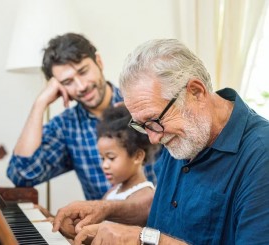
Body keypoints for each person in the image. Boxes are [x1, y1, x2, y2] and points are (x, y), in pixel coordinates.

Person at [52, 39, 269, 245]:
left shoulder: (261, 155)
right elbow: (166, 212)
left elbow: (150, 236)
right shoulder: (183, 134)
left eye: (153, 120)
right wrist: (106, 211)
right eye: (142, 125)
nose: (153, 138)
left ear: (196, 92)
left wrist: (143, 239)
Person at [7, 33, 156, 200]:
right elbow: (21, 175)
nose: (81, 86)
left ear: (98, 62)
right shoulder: (66, 126)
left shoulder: (139, 103)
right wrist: (39, 104)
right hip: (101, 225)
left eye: (83, 71)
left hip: (158, 220)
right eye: (67, 82)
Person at [97, 105, 159, 201]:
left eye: (111, 158)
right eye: (102, 158)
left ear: (137, 156)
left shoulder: (146, 196)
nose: (104, 165)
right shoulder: (112, 192)